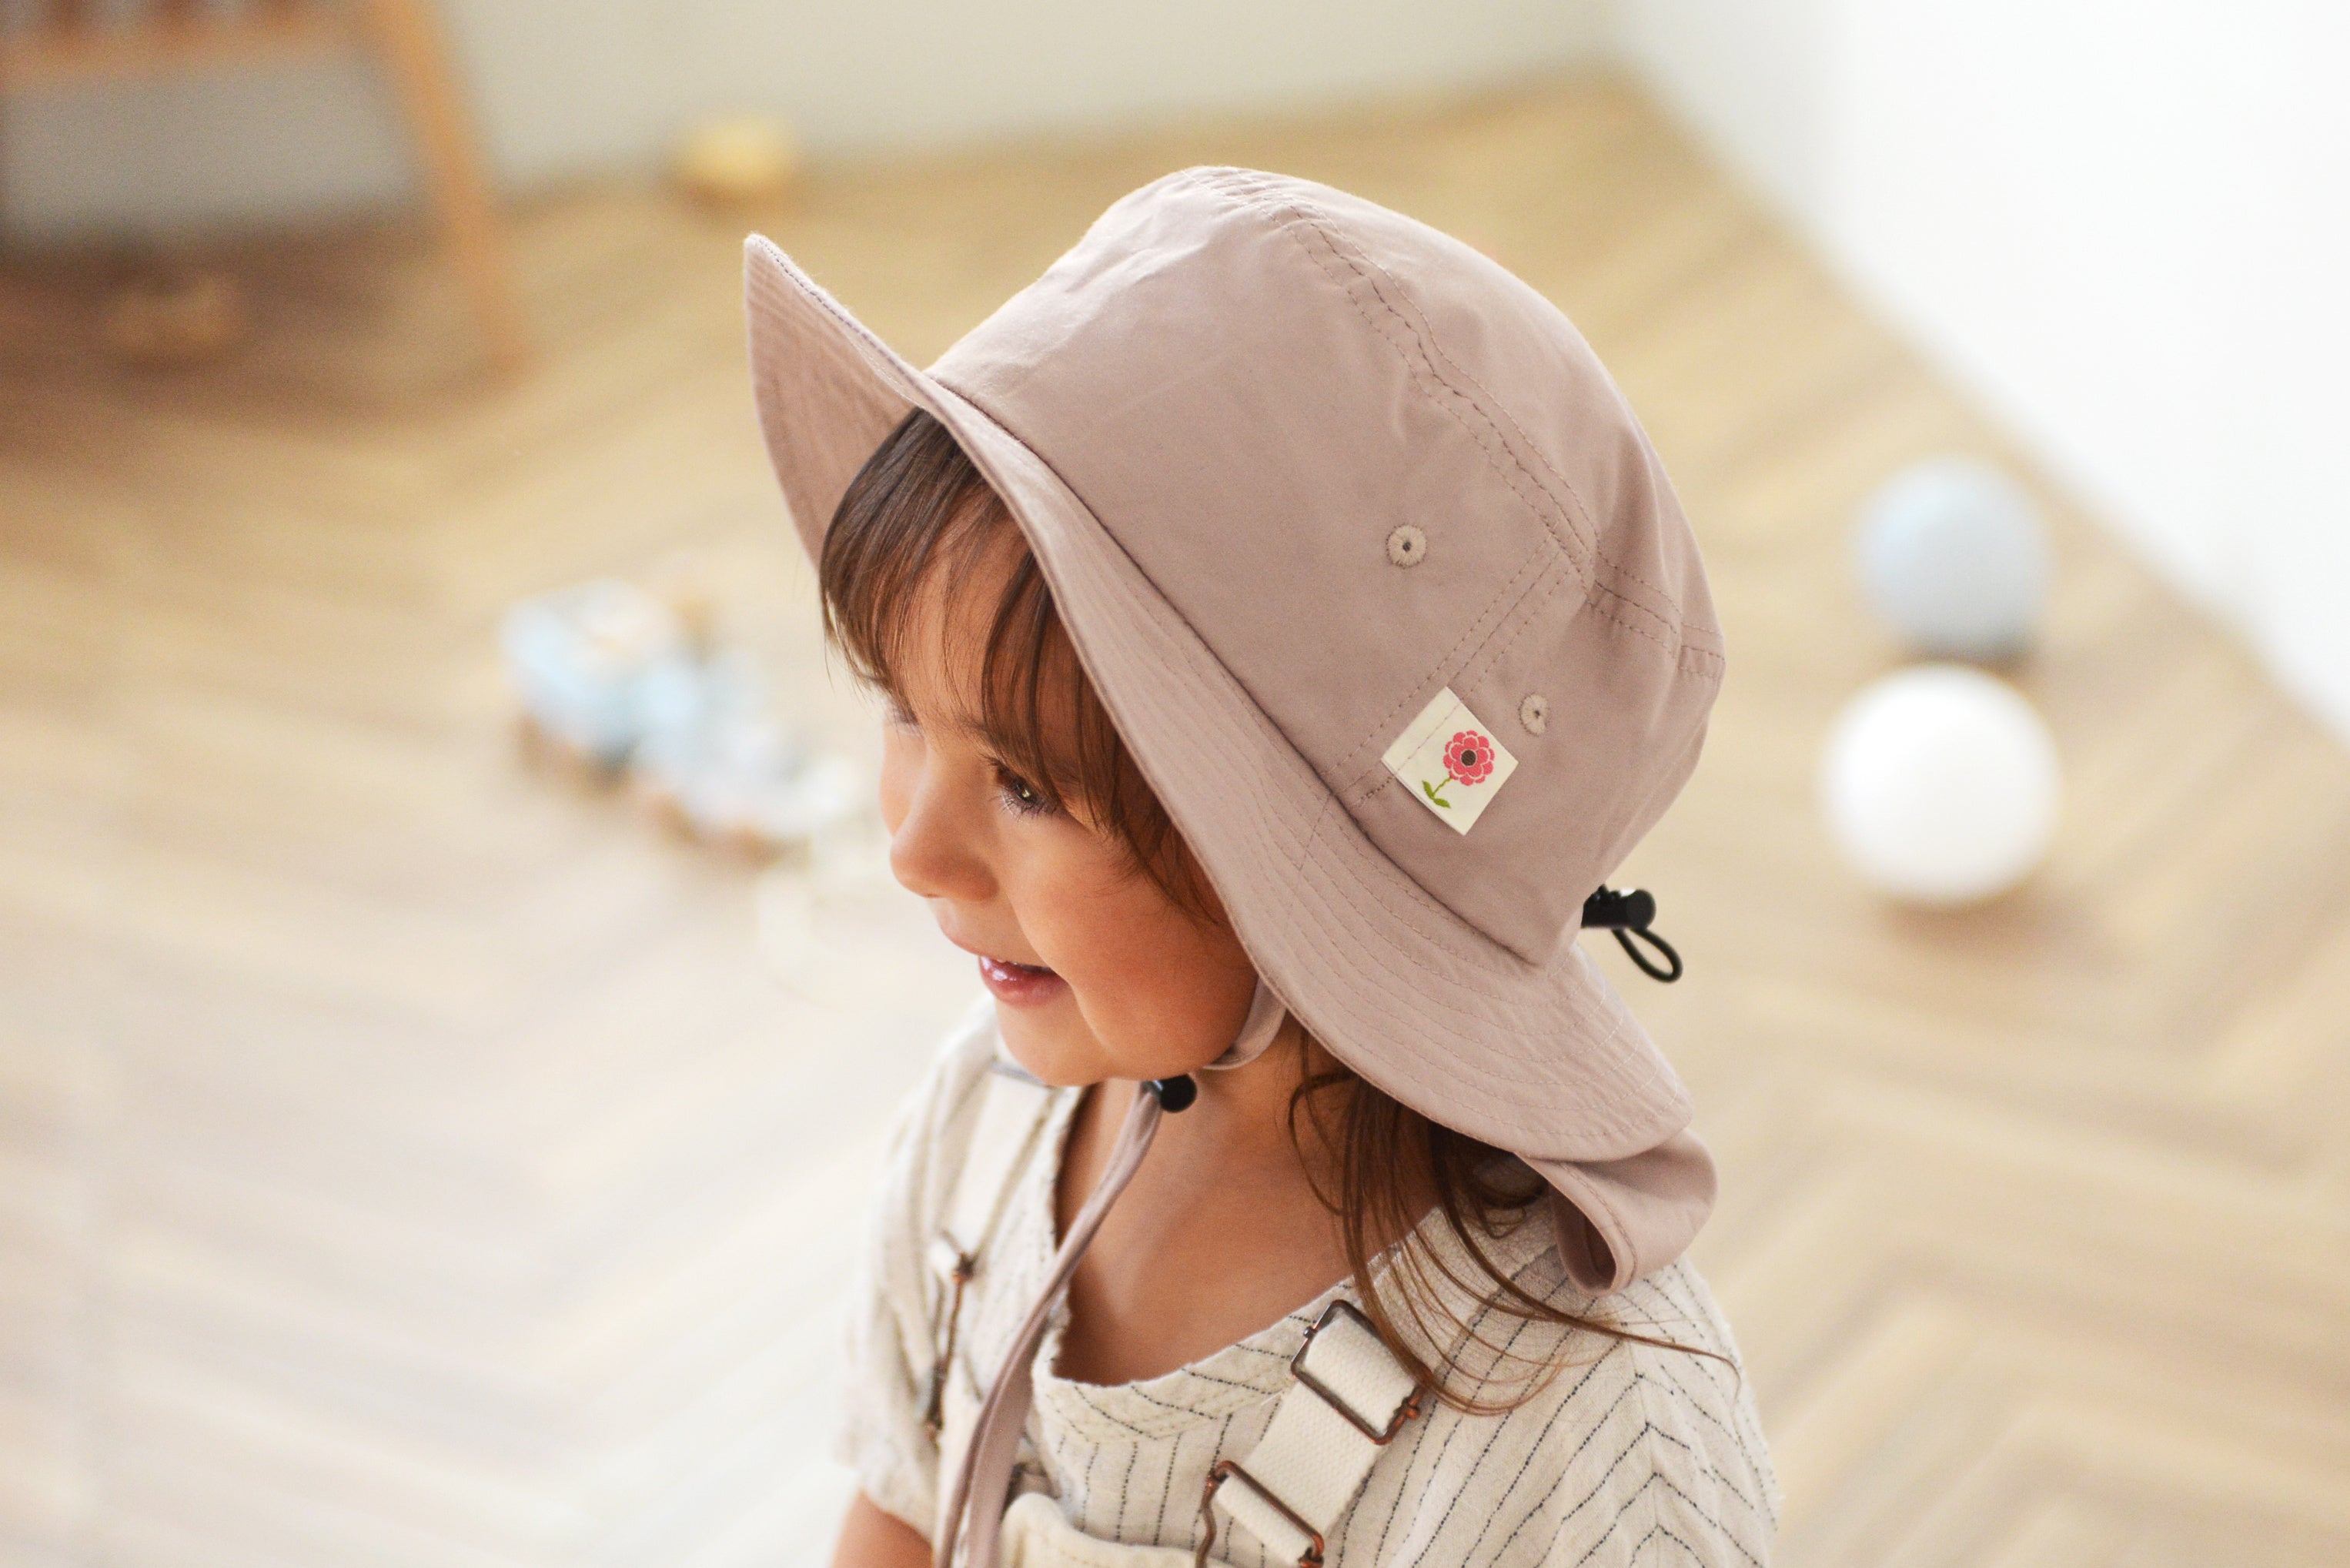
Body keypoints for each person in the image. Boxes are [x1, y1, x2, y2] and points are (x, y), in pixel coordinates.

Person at [744, 167, 1777, 1568]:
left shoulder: (1592, 1444)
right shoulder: (984, 1130)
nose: (913, 851)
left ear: (1310, 870)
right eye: (900, 708)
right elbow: (904, 1513)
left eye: (1030, 786)